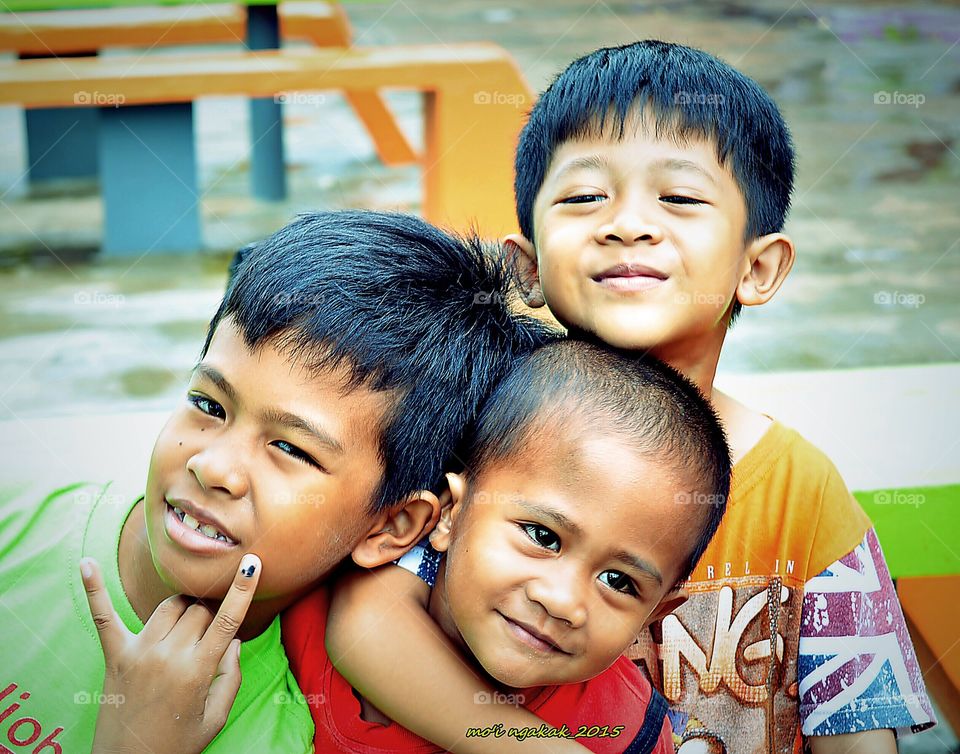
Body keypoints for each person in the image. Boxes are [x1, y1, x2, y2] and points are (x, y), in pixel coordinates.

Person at [506, 39, 936, 753]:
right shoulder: (475, 448)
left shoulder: (802, 497)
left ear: (756, 268)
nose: (628, 224)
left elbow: (859, 737)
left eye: (678, 198)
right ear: (527, 267)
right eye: (584, 197)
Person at [0, 209, 550, 753]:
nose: (213, 467)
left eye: (290, 449)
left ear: (392, 526)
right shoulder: (15, 515)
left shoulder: (283, 736)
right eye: (208, 405)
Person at [285, 337, 731, 754]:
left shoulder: (629, 733)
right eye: (543, 536)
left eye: (618, 581)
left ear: (653, 614)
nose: (561, 601)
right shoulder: (305, 608)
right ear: (450, 513)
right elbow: (363, 625)